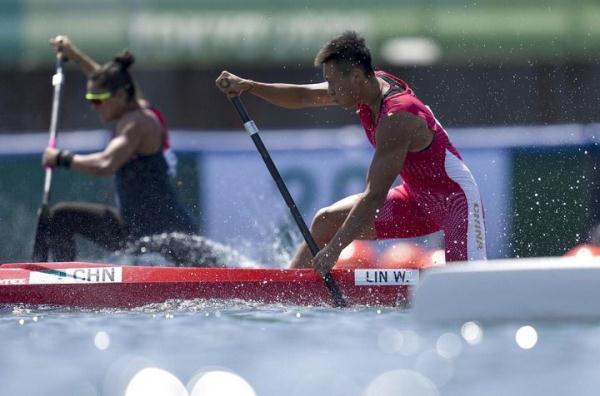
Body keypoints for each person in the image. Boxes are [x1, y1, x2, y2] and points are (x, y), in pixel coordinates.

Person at [216, 31, 487, 275]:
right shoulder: (365, 88)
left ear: (356, 76)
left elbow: (374, 196)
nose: (330, 92)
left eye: (333, 84)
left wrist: (334, 250)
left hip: (455, 204)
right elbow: (302, 97)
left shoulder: (398, 117)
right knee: (325, 222)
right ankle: (289, 288)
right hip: (416, 200)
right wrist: (249, 86)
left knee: (468, 284)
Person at [41, 35, 197, 262]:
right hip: (133, 230)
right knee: (60, 217)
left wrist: (61, 158)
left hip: (169, 238)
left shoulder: (139, 123)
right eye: (90, 100)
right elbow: (104, 79)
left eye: (98, 100)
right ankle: (60, 283)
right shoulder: (130, 101)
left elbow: (106, 164)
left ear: (121, 95)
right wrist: (74, 55)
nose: (94, 106)